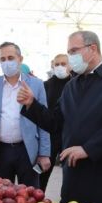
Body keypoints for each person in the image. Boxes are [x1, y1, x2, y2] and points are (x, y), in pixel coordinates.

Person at [17, 31, 102, 203]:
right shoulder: (71, 86)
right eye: (69, 52)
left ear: (93, 49)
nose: (70, 57)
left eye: (74, 51)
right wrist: (32, 105)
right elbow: (55, 123)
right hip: (72, 173)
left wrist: (88, 149)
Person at [0, 42, 50, 188]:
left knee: (29, 194)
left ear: (20, 59)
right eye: (3, 59)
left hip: (28, 150)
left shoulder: (36, 85)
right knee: (1, 194)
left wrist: (44, 153)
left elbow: (44, 121)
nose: (7, 62)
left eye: (10, 58)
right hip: (0, 151)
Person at [39, 54, 71, 191]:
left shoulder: (76, 84)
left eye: (63, 64)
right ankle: (38, 196)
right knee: (41, 173)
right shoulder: (45, 85)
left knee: (70, 174)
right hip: (49, 135)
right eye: (57, 64)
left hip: (69, 136)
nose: (60, 67)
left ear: (70, 65)